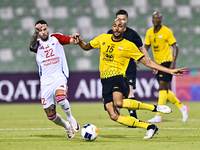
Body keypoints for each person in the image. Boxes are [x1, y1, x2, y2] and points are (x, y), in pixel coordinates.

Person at [74, 18, 186, 139]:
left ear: (124, 28)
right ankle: (149, 127)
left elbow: (147, 62)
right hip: (105, 81)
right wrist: (80, 41)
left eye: (120, 26)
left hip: (118, 78)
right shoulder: (103, 38)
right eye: (115, 26)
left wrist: (169, 70)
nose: (117, 28)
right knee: (113, 115)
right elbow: (86, 47)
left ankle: (154, 108)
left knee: (118, 103)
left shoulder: (129, 45)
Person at [29, 20, 80, 138]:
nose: (43, 32)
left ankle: (70, 117)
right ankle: (67, 126)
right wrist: (35, 33)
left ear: (48, 29)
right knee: (51, 116)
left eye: (45, 29)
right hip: (46, 82)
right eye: (40, 30)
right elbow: (31, 47)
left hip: (59, 76)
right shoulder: (37, 44)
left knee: (61, 98)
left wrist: (76, 38)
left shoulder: (56, 38)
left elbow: (72, 41)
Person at [144, 12, 189, 123]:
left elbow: (175, 46)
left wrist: (173, 62)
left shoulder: (167, 31)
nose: (155, 19)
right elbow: (145, 47)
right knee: (165, 90)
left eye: (157, 18)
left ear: (161, 20)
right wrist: (147, 61)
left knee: (161, 87)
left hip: (167, 62)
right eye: (153, 17)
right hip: (157, 64)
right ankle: (182, 107)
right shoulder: (149, 32)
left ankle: (158, 115)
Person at [107, 9, 151, 123]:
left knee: (130, 92)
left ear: (127, 20)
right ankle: (122, 117)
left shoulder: (132, 34)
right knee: (118, 96)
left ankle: (133, 118)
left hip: (129, 67)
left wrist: (149, 62)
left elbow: (141, 48)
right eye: (118, 19)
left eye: (123, 19)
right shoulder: (110, 33)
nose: (121, 21)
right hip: (115, 69)